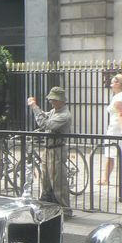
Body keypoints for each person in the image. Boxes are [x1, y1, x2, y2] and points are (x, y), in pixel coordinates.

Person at [28, 86, 73, 215]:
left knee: (58, 181)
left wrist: (34, 107)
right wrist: (37, 110)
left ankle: (65, 210)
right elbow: (44, 117)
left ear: (61, 101)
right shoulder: (54, 111)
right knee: (46, 179)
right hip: (48, 149)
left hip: (57, 150)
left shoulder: (64, 115)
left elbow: (46, 124)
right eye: (51, 99)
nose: (51, 102)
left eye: (54, 99)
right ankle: (47, 205)